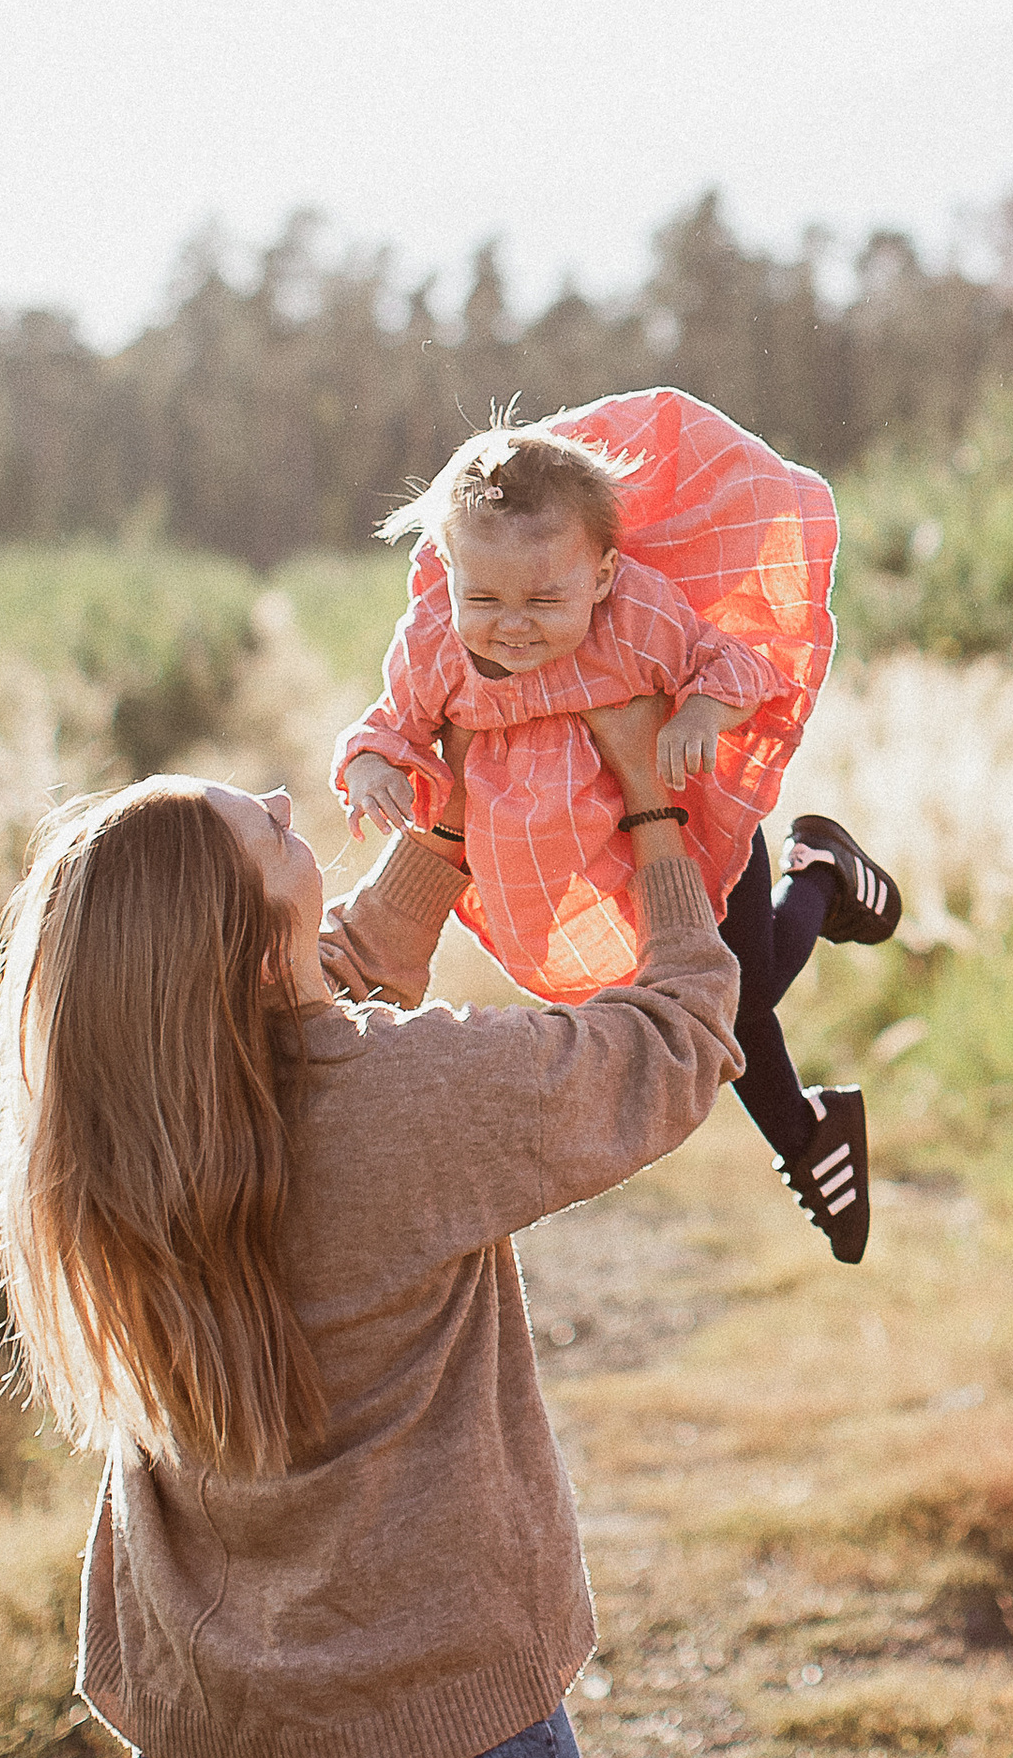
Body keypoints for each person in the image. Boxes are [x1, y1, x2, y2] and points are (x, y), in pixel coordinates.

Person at [0, 698, 734, 1758]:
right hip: (429, 1715)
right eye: (270, 827)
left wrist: (442, 826)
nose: (288, 794)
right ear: (239, 953)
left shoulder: (120, 1116)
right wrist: (650, 813)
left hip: (206, 1711)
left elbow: (326, 984)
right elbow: (680, 1040)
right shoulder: (404, 1099)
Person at [326, 395, 901, 1262]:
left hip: (684, 819)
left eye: (543, 600)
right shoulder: (436, 639)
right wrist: (370, 768)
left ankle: (815, 887)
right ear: (444, 568)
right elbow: (388, 723)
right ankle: (811, 1106)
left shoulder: (636, 616)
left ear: (600, 574)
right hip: (582, 854)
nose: (512, 625)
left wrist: (702, 711)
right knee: (708, 1003)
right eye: (483, 595)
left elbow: (730, 664)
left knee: (735, 998)